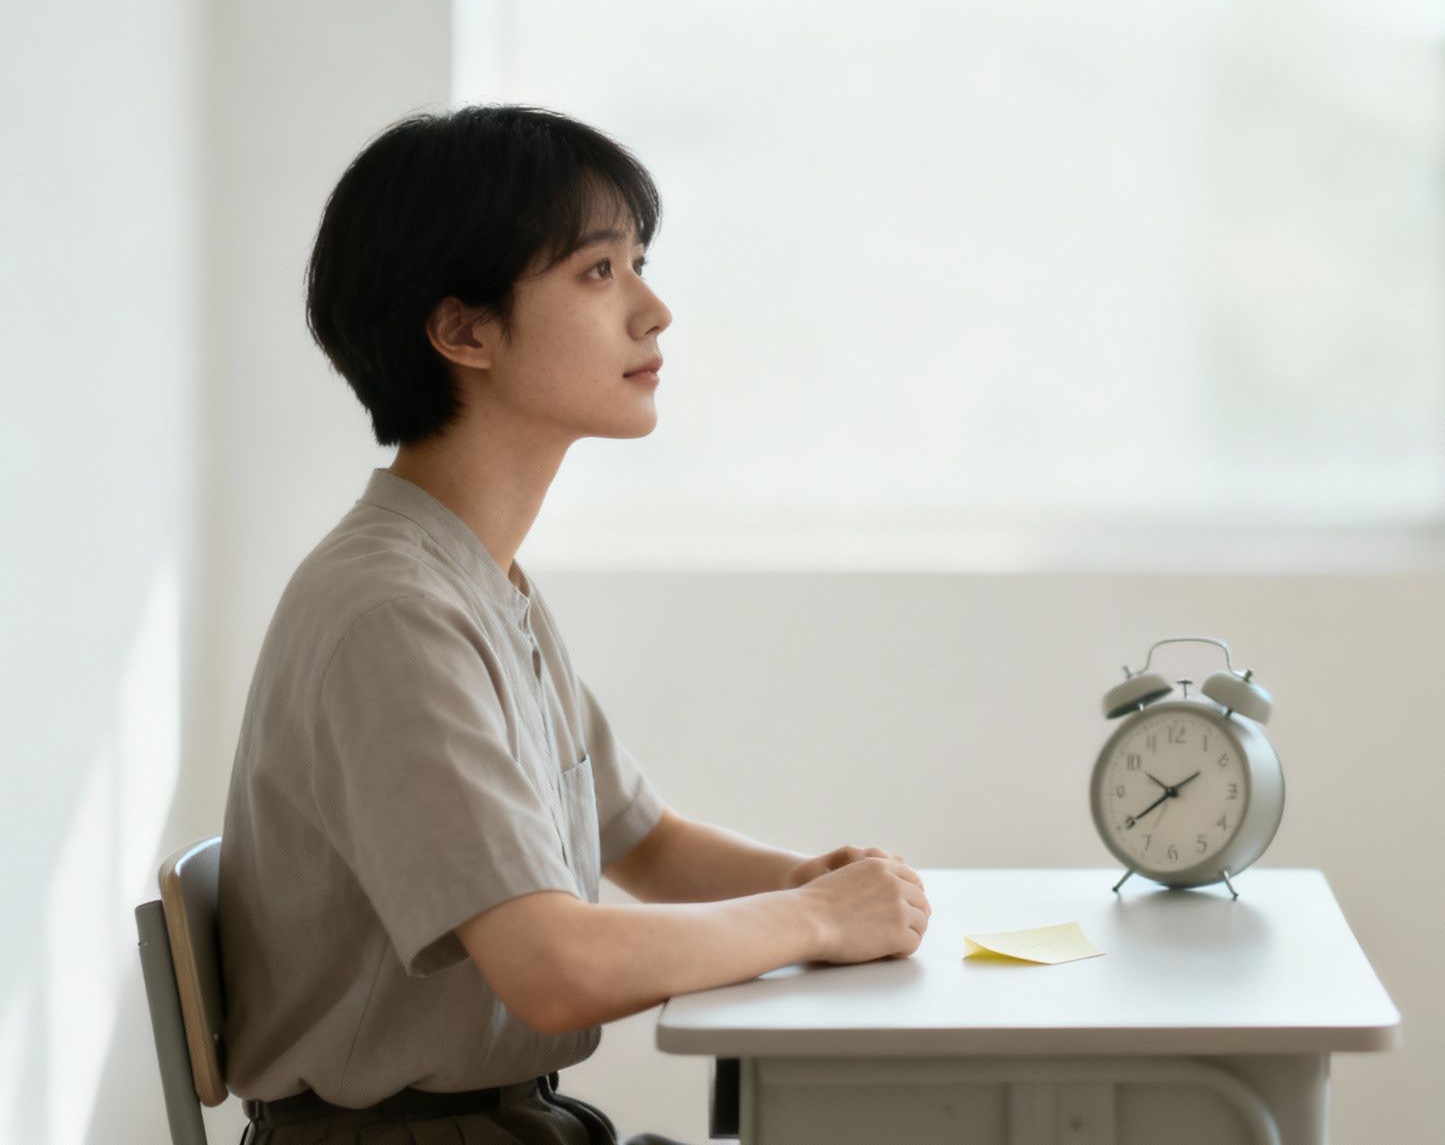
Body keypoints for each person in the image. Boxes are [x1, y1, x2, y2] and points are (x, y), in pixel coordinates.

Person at [216, 104, 932, 1145]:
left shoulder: (476, 579)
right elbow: (553, 970)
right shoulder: (395, 614)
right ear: (464, 331)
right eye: (600, 273)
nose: (655, 311)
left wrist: (813, 883)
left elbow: (645, 841)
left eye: (638, 263)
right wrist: (818, 922)